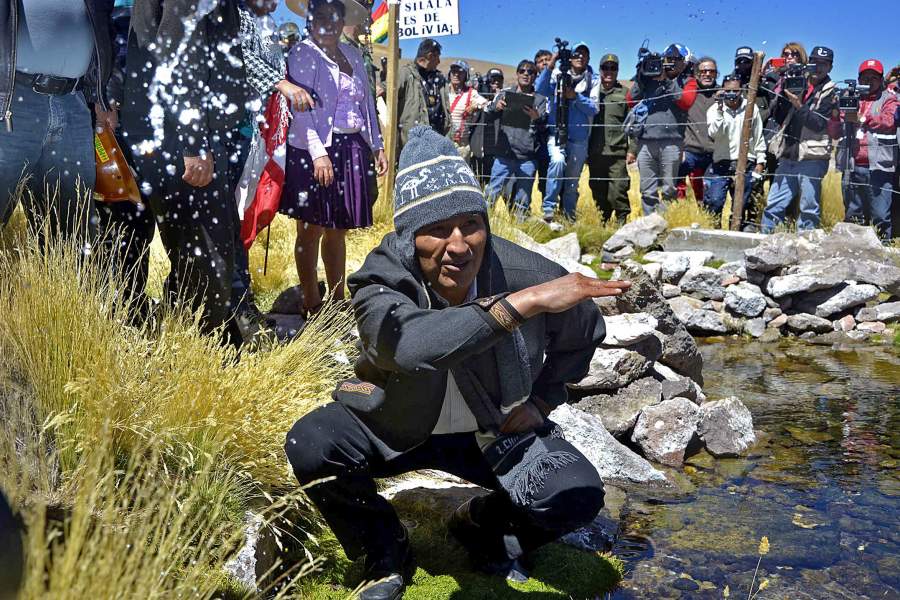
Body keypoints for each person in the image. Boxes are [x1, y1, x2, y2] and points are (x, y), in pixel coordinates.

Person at [284, 126, 630, 600]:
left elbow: (585, 330)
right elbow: (407, 346)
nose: (460, 245)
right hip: (394, 423)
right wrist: (518, 307)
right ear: (409, 237)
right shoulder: (380, 276)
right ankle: (385, 548)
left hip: (491, 431)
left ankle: (481, 526)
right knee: (311, 444)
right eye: (436, 229)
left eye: (471, 223)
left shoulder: (526, 272)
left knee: (576, 495)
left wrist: (543, 401)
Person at [124, 0, 250, 335]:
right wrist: (193, 142)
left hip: (175, 132)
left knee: (195, 252)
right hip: (180, 138)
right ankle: (201, 346)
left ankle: (185, 335)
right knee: (207, 255)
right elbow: (178, 49)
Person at [280, 0, 387, 317]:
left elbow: (365, 105)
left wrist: (376, 145)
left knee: (338, 229)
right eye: (321, 17)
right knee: (310, 228)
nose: (328, 24)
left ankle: (338, 300)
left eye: (334, 17)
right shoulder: (303, 53)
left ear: (342, 22)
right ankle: (311, 302)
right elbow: (300, 110)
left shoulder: (352, 53)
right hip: (314, 150)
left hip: (351, 147)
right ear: (311, 20)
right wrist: (318, 154)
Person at [0, 0, 115, 241]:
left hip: (73, 103)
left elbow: (103, 28)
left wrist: (101, 96)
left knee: (72, 236)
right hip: (11, 103)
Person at [761, 46, 837, 233]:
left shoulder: (831, 91)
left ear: (830, 67)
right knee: (774, 205)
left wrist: (798, 104)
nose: (818, 67)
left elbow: (819, 124)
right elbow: (778, 114)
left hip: (813, 156)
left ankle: (807, 245)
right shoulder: (796, 80)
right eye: (815, 62)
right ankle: (765, 240)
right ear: (808, 63)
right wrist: (782, 85)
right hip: (789, 153)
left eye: (824, 64)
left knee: (809, 209)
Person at [829, 59, 898, 239]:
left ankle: (883, 251)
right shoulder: (849, 98)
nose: (869, 81)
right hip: (851, 166)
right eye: (865, 77)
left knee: (880, 216)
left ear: (881, 80)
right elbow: (835, 133)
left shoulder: (889, 99)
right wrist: (835, 115)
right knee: (853, 215)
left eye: (874, 77)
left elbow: (889, 122)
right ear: (859, 79)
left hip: (879, 168)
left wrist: (861, 118)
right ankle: (854, 250)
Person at [627, 43, 698, 215]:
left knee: (669, 189)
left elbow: (686, 102)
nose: (672, 62)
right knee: (647, 190)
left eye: (677, 59)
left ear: (684, 62)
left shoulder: (688, 81)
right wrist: (641, 78)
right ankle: (649, 223)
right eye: (669, 58)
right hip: (645, 142)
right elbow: (630, 100)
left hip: (672, 143)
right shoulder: (649, 77)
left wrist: (666, 80)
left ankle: (665, 221)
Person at [536, 42, 597, 222]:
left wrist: (575, 97)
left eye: (584, 55)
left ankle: (569, 216)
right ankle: (549, 208)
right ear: (570, 58)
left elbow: (594, 108)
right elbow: (540, 88)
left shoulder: (592, 80)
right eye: (577, 54)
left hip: (579, 138)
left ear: (588, 59)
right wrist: (552, 62)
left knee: (572, 179)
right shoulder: (556, 76)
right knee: (557, 161)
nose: (580, 57)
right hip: (556, 133)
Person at [483, 59, 548, 218]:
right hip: (504, 155)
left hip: (527, 158)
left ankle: (521, 227)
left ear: (535, 76)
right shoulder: (505, 94)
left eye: (530, 72)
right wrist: (496, 107)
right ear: (517, 74)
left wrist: (537, 118)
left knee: (522, 200)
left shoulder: (540, 100)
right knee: (492, 193)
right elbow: (488, 112)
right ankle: (483, 222)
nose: (526, 74)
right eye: (522, 71)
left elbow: (545, 127)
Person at [705, 74, 767, 225]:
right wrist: (720, 110)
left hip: (746, 162)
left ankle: (737, 229)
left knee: (742, 204)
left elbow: (758, 135)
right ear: (722, 90)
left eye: (735, 91)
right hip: (722, 162)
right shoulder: (713, 110)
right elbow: (714, 133)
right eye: (728, 91)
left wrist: (760, 161)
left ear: (741, 91)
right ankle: (714, 230)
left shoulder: (751, 108)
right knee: (715, 201)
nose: (732, 94)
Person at [587, 53, 631, 222]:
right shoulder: (592, 93)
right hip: (595, 151)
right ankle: (603, 221)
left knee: (618, 190)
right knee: (598, 189)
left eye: (613, 68)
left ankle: (622, 221)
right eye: (605, 68)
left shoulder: (625, 94)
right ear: (600, 70)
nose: (609, 71)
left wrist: (632, 150)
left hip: (617, 152)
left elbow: (633, 124)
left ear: (617, 71)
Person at [678, 57, 718, 203]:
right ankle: (679, 210)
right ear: (696, 74)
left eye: (711, 71)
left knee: (710, 197)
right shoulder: (688, 93)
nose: (707, 74)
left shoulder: (722, 94)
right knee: (675, 181)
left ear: (716, 74)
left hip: (714, 153)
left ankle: (705, 213)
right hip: (690, 151)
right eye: (703, 71)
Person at [396, 38, 449, 148]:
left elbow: (445, 107)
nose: (439, 62)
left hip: (437, 139)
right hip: (414, 142)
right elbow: (388, 91)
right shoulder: (406, 73)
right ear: (430, 56)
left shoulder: (439, 78)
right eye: (437, 57)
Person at [469, 68, 505, 186]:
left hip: (497, 152)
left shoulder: (505, 98)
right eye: (493, 80)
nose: (496, 82)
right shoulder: (477, 97)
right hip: (478, 149)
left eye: (499, 80)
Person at [447, 61, 488, 160]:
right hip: (442, 144)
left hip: (461, 147)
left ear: (466, 75)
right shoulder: (442, 91)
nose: (456, 74)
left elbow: (486, 104)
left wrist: (476, 106)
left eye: (460, 72)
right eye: (454, 71)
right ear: (450, 74)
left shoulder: (471, 93)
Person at [533, 49, 553, 197]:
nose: (545, 63)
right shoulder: (531, 85)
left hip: (553, 132)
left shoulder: (558, 81)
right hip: (536, 136)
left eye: (547, 59)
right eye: (541, 61)